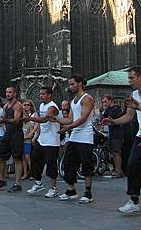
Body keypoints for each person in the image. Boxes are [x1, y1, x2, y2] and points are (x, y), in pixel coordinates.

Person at [102, 66, 141, 219]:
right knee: (133, 166)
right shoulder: (134, 94)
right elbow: (129, 116)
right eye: (129, 78)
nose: (129, 81)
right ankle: (133, 201)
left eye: (131, 78)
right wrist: (113, 121)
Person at [58, 74, 96, 204]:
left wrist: (68, 128)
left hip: (85, 136)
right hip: (75, 136)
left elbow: (83, 118)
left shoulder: (87, 98)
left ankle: (88, 192)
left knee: (86, 165)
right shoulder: (74, 100)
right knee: (69, 163)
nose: (70, 87)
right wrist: (56, 119)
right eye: (70, 84)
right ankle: (71, 190)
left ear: (80, 84)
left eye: (72, 84)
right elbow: (70, 119)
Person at [0, 86, 24, 192]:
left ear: (15, 93)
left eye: (10, 92)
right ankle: (2, 179)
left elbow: (16, 120)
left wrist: (3, 120)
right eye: (6, 92)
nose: (8, 94)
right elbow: (0, 120)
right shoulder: (6, 106)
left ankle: (17, 183)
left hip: (16, 133)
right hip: (8, 133)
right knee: (0, 157)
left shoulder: (18, 105)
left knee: (17, 159)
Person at [26, 87, 61, 198]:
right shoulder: (41, 106)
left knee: (51, 166)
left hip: (52, 141)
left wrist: (30, 119)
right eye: (40, 94)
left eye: (43, 94)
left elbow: (45, 119)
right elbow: (41, 123)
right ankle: (38, 183)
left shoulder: (53, 107)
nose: (40, 96)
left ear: (49, 95)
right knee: (35, 161)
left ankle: (53, 188)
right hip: (42, 140)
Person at [101, 95, 124, 178]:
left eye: (105, 101)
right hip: (111, 133)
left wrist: (108, 120)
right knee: (113, 153)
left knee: (116, 152)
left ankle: (118, 170)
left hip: (117, 133)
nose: (104, 103)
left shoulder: (115, 109)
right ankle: (117, 169)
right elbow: (104, 117)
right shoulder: (108, 110)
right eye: (103, 102)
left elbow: (111, 119)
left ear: (110, 101)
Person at [21, 100, 36, 180]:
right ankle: (25, 173)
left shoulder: (30, 123)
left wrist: (30, 137)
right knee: (23, 157)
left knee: (27, 157)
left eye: (28, 105)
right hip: (22, 142)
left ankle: (32, 172)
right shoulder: (22, 123)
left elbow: (32, 133)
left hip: (27, 142)